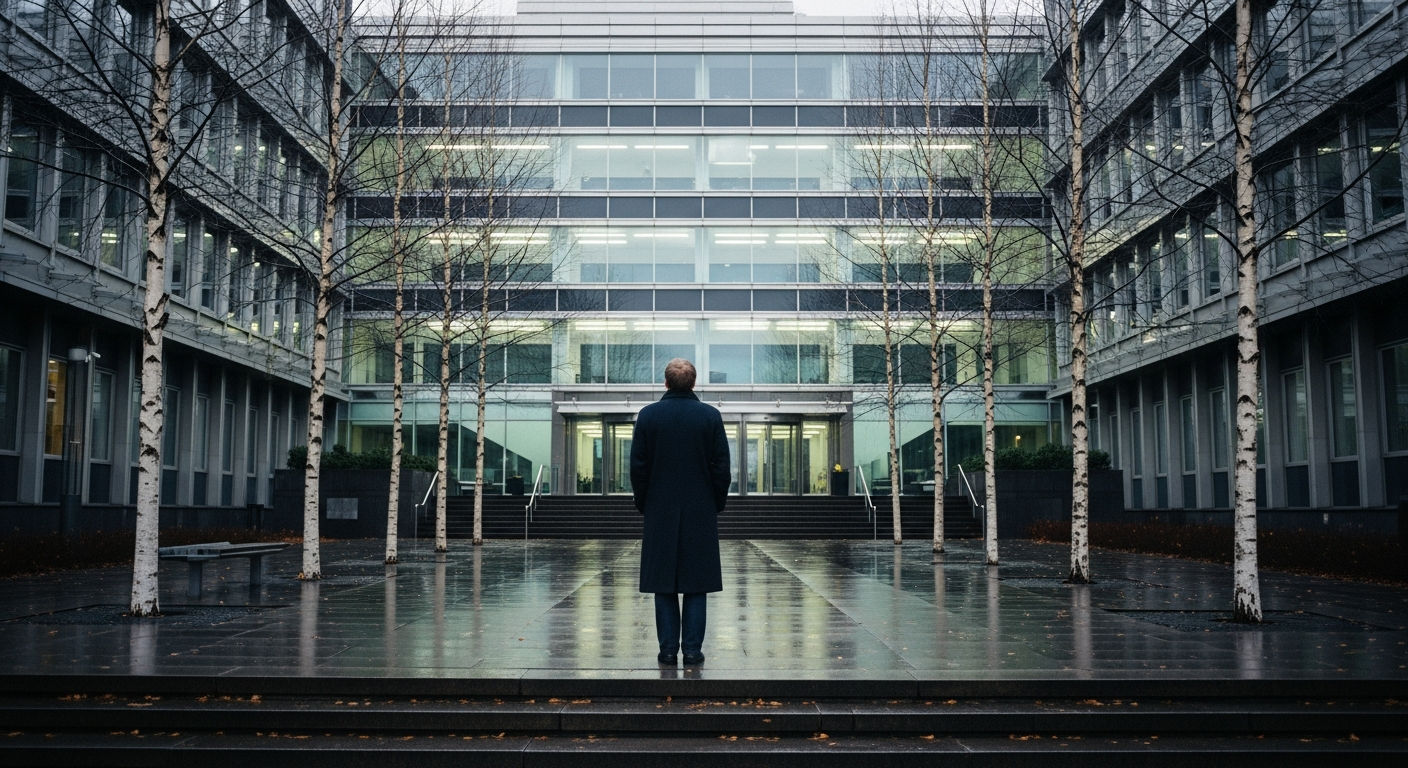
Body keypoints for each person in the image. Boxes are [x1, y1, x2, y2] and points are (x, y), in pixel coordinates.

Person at [630, 358, 730, 666]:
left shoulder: (648, 416)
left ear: (666, 383)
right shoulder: (710, 416)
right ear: (694, 383)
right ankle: (692, 650)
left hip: (660, 509)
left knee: (664, 582)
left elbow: (638, 467)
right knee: (696, 582)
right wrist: (715, 502)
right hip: (700, 510)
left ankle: (668, 650)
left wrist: (645, 502)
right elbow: (721, 467)